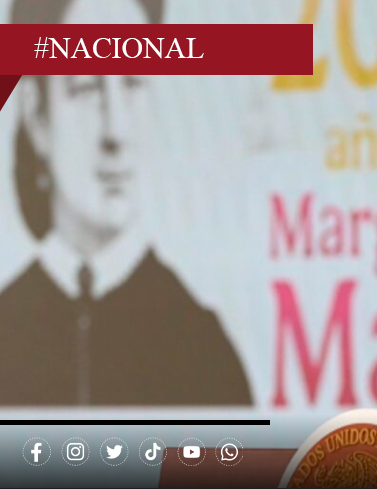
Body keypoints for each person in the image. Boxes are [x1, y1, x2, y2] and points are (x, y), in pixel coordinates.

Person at [0, 0, 252, 406]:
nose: (116, 132)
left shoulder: (201, 353)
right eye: (86, 88)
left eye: (133, 83)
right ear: (37, 116)